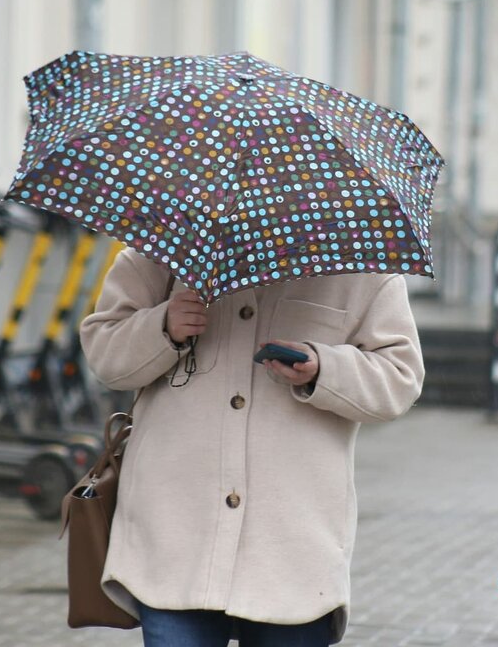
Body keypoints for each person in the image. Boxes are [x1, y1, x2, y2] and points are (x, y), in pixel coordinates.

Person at [80, 250, 424, 646]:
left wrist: (324, 368)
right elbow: (105, 357)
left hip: (291, 549)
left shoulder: (362, 268)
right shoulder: (159, 256)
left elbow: (400, 380)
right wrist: (162, 326)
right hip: (174, 535)